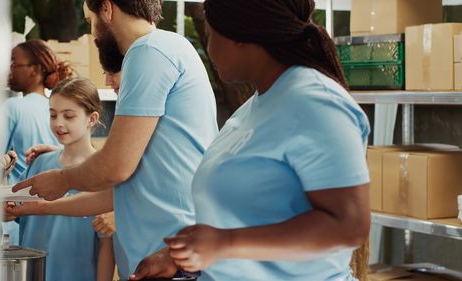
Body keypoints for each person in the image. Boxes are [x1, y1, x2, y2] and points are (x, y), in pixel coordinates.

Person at [132, 0, 371, 280]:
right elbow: (250, 213)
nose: (208, 50)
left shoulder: (315, 102)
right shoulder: (255, 106)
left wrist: (225, 244)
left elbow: (348, 226)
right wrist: (180, 257)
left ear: (240, 36)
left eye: (210, 36)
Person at [11, 0, 218, 278]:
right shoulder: (170, 47)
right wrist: (38, 206)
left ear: (107, 9)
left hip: (171, 259)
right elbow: (119, 189)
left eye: (90, 20)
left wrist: (62, 178)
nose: (93, 33)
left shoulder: (148, 50)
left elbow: (115, 167)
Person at [11, 77, 115, 281]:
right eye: (53, 115)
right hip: (33, 273)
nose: (59, 123)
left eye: (69, 116)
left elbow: (106, 247)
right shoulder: (39, 164)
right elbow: (16, 210)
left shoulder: (103, 175)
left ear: (92, 119)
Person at [3, 39, 70, 244]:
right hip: (55, 217)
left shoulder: (12, 107)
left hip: (13, 217)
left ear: (35, 70)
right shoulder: (59, 109)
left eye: (15, 63)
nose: (10, 69)